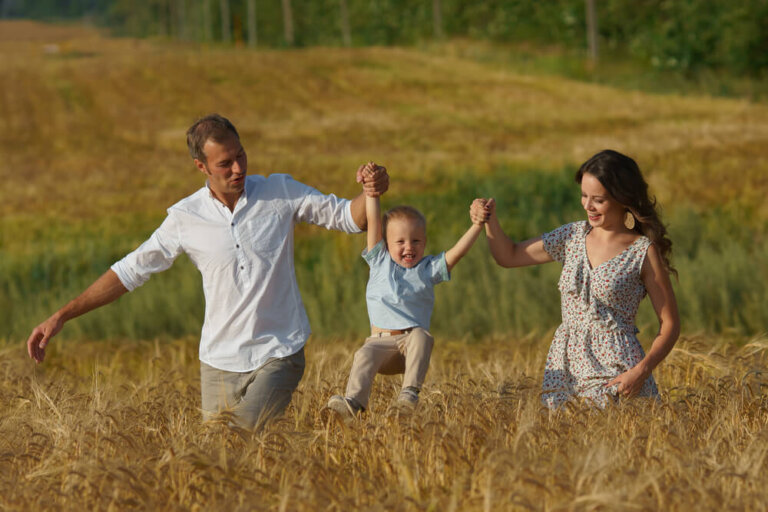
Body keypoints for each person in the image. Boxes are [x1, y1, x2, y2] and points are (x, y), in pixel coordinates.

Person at [26, 114, 389, 429]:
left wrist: (370, 192)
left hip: (280, 350)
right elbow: (130, 271)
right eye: (225, 163)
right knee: (214, 468)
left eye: (241, 155)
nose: (238, 168)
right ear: (201, 167)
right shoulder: (185, 218)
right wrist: (63, 315)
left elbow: (347, 217)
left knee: (240, 438)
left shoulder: (279, 191)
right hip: (218, 362)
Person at [471, 149, 679, 408]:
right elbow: (509, 255)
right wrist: (489, 220)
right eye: (584, 196)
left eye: (598, 200)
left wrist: (641, 371)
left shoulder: (642, 251)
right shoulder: (571, 236)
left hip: (619, 372)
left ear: (622, 198)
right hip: (564, 368)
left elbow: (670, 324)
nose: (587, 206)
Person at [326, 164, 485, 419]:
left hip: (410, 346)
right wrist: (372, 193)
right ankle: (353, 404)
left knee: (422, 336)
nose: (408, 247)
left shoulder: (428, 268)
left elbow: (458, 252)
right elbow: (374, 220)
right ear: (386, 244)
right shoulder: (379, 261)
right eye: (400, 242)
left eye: (416, 241)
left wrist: (477, 225)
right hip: (380, 344)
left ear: (425, 243)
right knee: (363, 354)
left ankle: (408, 398)